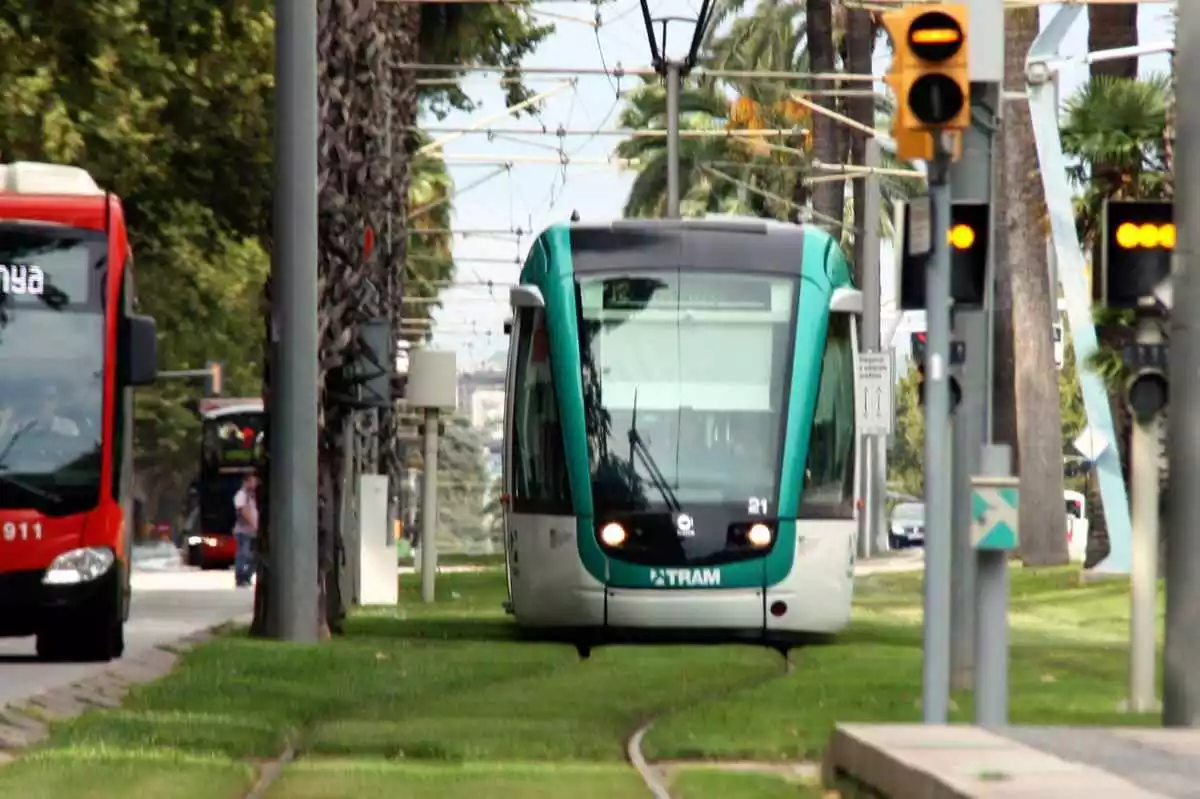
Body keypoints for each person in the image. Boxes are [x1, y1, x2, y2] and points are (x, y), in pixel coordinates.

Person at [232, 473, 259, 587]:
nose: (255, 484)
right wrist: (253, 524)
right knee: (243, 554)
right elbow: (243, 511)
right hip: (243, 531)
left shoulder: (251, 496)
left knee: (253, 556)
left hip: (251, 531)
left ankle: (246, 576)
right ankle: (240, 577)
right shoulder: (241, 495)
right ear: (246, 482)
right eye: (252, 481)